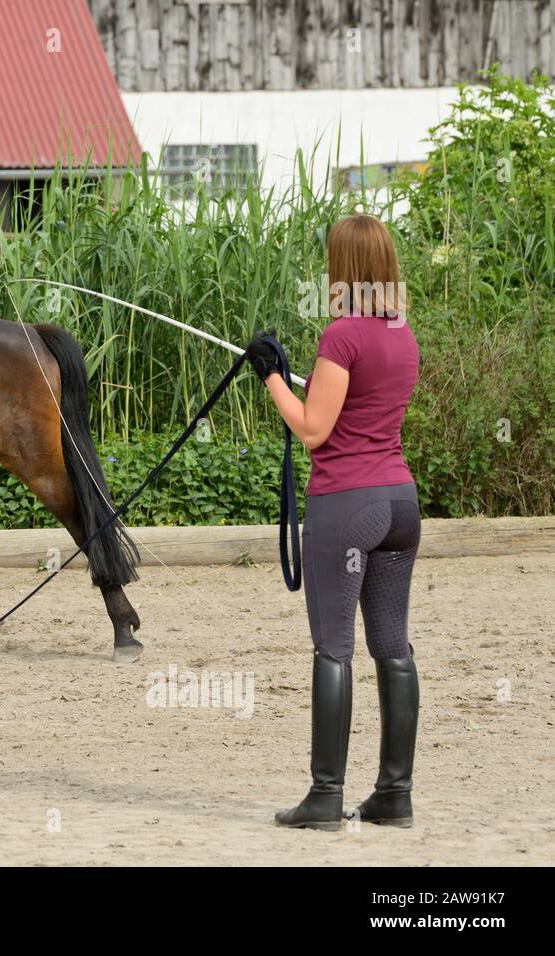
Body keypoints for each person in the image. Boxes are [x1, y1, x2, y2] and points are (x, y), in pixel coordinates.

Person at [245, 214, 422, 831]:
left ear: (343, 265)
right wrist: (300, 379)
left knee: (334, 647)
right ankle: (394, 795)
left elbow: (314, 428)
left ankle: (326, 796)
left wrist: (269, 375)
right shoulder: (402, 333)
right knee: (393, 648)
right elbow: (359, 408)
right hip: (400, 504)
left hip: (347, 505)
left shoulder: (342, 335)